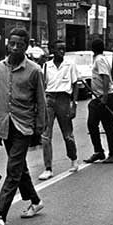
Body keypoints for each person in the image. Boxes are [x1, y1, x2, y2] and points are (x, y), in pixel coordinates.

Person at [0, 27, 46, 225]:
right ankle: (36, 201)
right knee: (20, 169)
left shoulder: (34, 71)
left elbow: (41, 101)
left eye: (19, 45)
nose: (14, 48)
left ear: (25, 47)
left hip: (24, 126)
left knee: (13, 170)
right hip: (4, 126)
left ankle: (1, 215)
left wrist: (40, 129)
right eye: (11, 44)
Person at [38, 40, 79, 180]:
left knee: (67, 134)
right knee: (45, 136)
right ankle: (48, 168)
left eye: (64, 49)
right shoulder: (46, 66)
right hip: (49, 99)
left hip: (64, 99)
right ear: (53, 50)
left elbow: (75, 85)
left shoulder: (70, 64)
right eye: (59, 49)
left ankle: (73, 159)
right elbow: (43, 86)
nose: (62, 51)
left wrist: (74, 104)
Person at [83, 38, 113, 164]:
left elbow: (105, 78)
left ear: (93, 48)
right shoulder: (100, 59)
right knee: (92, 123)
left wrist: (104, 97)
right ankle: (99, 151)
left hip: (107, 96)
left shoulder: (100, 60)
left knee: (108, 124)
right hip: (99, 97)